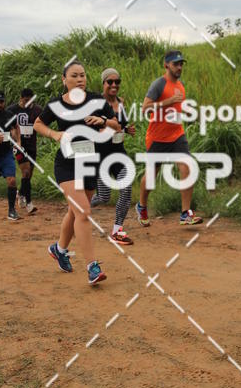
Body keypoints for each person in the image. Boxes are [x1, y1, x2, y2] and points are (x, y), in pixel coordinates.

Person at [34, 60, 120, 286]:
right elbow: (38, 124)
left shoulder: (97, 100)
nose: (80, 79)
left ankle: (59, 249)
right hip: (67, 163)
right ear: (64, 80)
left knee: (75, 212)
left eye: (83, 75)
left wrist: (103, 121)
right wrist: (55, 135)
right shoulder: (55, 104)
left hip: (90, 161)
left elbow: (117, 126)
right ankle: (92, 267)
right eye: (74, 75)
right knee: (83, 211)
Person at [136, 50, 203, 227]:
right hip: (157, 137)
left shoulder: (180, 86)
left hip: (176, 135)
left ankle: (185, 213)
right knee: (151, 176)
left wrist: (192, 113)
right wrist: (169, 101)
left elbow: (177, 107)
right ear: (166, 65)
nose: (179, 67)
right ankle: (142, 206)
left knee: (187, 166)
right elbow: (145, 109)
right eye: (176, 64)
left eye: (181, 64)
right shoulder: (159, 84)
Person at [90, 68, 136, 245]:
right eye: (110, 82)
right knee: (104, 197)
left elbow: (120, 126)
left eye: (118, 82)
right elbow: (93, 129)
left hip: (119, 154)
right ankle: (81, 205)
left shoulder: (121, 102)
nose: (114, 85)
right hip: (101, 156)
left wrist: (126, 130)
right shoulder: (96, 104)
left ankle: (117, 231)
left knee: (126, 189)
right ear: (103, 84)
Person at [0, 91, 21, 222]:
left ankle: (11, 210)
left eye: (2, 102)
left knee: (12, 180)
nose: (0, 104)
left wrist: (18, 141)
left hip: (6, 153)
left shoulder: (9, 114)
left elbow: (16, 127)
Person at [11, 87, 42, 214]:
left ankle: (21, 193)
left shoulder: (37, 109)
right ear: (21, 99)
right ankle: (29, 204)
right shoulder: (13, 110)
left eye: (31, 100)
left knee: (29, 174)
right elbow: (7, 125)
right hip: (19, 146)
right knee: (26, 172)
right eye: (26, 100)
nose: (28, 103)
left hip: (32, 145)